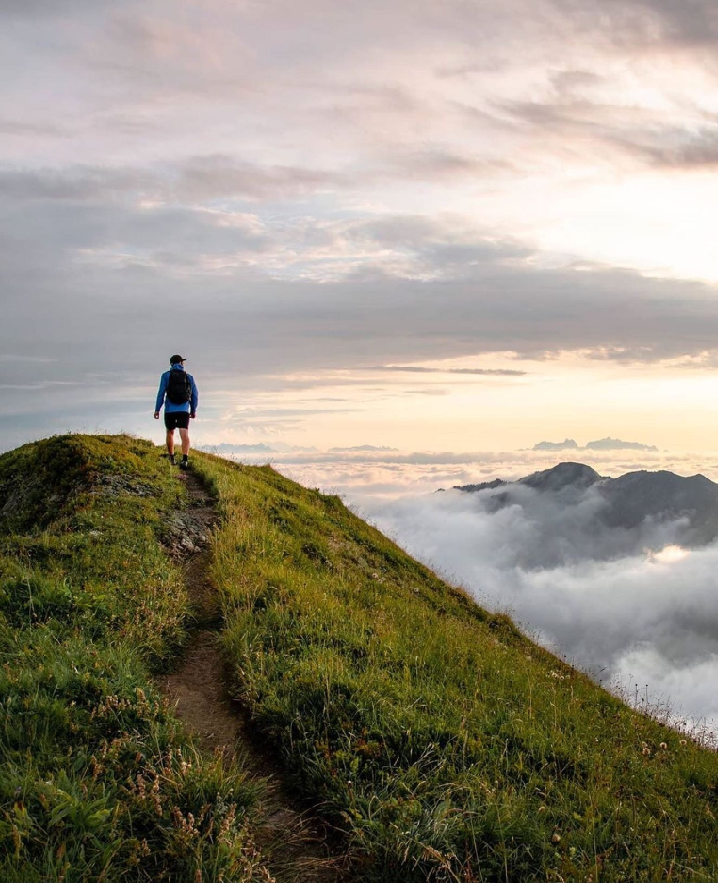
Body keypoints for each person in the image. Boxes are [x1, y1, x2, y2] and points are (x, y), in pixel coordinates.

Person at [154, 354, 199, 469]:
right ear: (181, 363)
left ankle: (172, 458)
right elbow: (195, 395)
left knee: (170, 432)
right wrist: (193, 410)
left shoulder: (166, 376)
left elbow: (161, 393)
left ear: (171, 364)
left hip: (170, 410)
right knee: (184, 434)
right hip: (184, 410)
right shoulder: (189, 377)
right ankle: (185, 460)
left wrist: (157, 409)